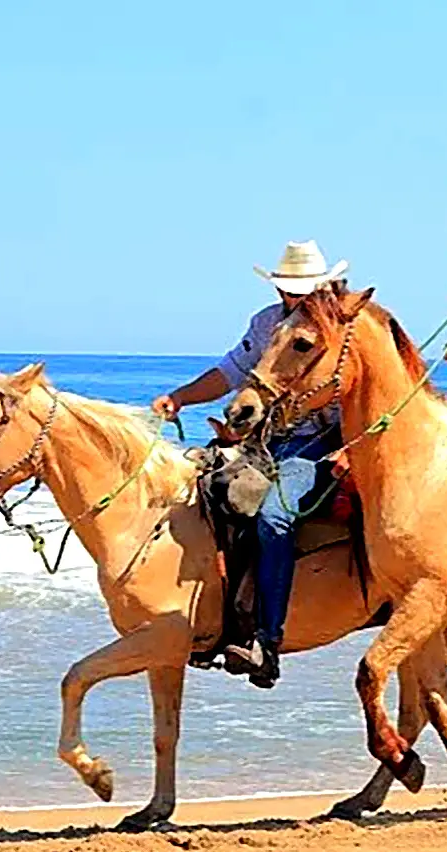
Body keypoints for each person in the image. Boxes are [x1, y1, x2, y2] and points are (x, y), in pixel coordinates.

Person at [152, 240, 348, 687]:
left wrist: (352, 448)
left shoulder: (342, 327)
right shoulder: (265, 323)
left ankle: (268, 642)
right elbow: (229, 373)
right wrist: (180, 397)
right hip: (267, 441)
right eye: (286, 288)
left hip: (319, 441)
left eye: (300, 289)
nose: (291, 297)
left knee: (274, 518)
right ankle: (214, 621)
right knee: (201, 494)